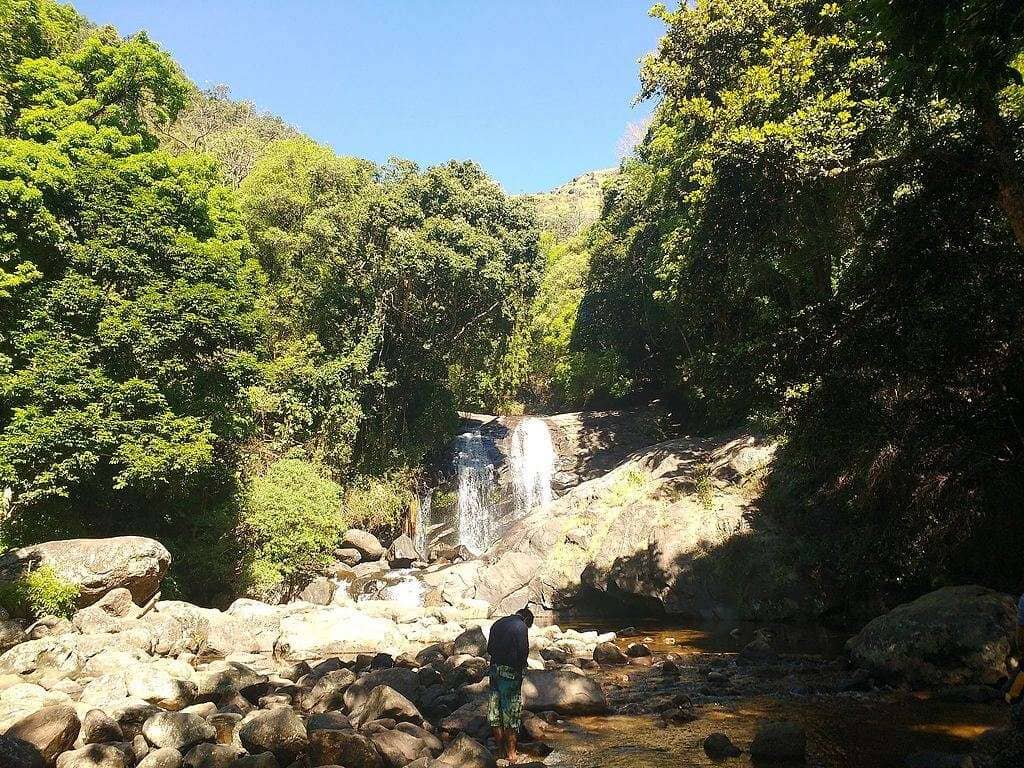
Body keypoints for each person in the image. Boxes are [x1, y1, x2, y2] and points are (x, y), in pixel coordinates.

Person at [486, 606, 534, 763]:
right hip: (510, 673)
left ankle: (500, 751)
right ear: (527, 620)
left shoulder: (498, 623)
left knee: (495, 712)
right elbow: (523, 651)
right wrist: (519, 669)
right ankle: (512, 754)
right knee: (511, 713)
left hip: (494, 671)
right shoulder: (520, 626)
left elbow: (489, 649)